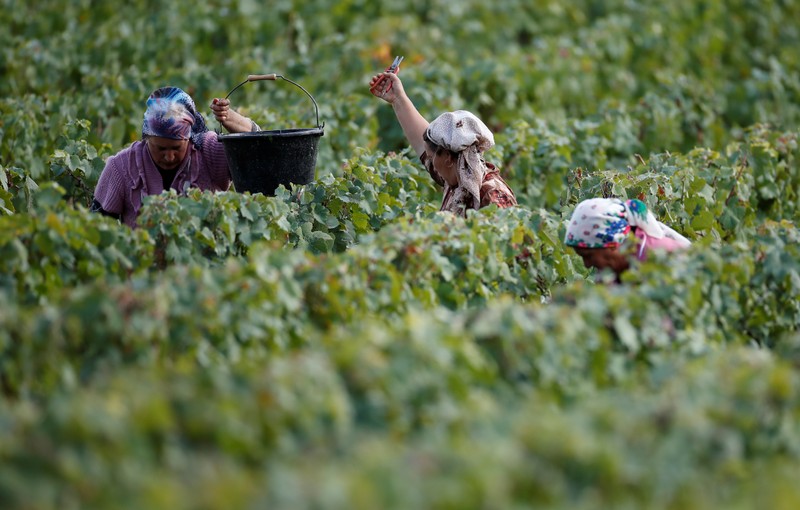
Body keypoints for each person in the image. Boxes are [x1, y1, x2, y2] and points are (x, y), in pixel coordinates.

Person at [91, 86, 259, 227]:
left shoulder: (208, 152)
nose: (169, 156)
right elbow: (98, 230)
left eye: (177, 147)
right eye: (161, 148)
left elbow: (261, 150)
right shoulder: (121, 167)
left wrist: (231, 119)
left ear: (189, 137)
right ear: (147, 139)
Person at [369, 70, 516, 216]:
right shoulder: (459, 174)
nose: (430, 162)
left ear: (447, 157)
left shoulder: (493, 195)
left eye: (431, 157)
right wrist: (397, 98)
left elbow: (509, 237)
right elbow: (422, 141)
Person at [564, 198, 691, 279]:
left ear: (612, 243)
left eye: (588, 255)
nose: (587, 264)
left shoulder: (664, 258)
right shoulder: (611, 270)